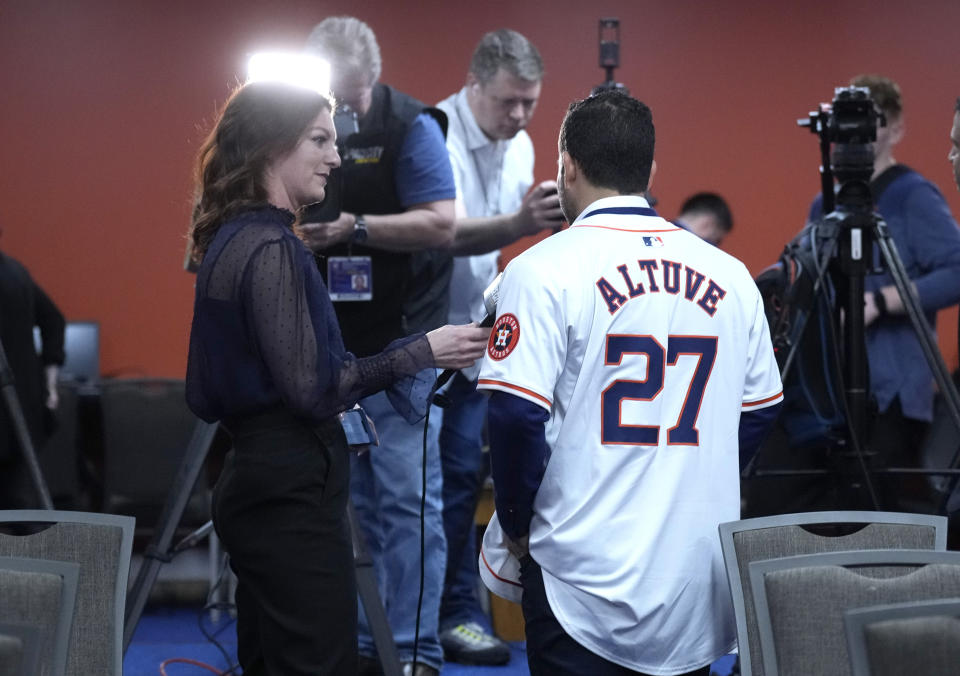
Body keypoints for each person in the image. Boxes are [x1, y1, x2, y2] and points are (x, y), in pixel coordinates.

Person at [185, 78, 488, 676]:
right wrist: (420, 350)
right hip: (289, 494)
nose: (335, 155)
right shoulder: (273, 248)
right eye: (319, 139)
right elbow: (314, 388)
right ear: (273, 147)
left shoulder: (232, 239)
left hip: (259, 483)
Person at [476, 91, 783, 675]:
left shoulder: (540, 268)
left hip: (580, 574)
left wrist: (516, 524)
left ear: (567, 165)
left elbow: (515, 417)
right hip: (691, 576)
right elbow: (762, 410)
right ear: (650, 171)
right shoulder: (732, 274)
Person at [301, 17, 457, 676]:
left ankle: (415, 653)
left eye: (360, 94)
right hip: (333, 350)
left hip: (405, 344)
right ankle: (370, 649)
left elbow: (442, 222)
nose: (354, 110)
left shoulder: (412, 126)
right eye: (342, 99)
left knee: (407, 506)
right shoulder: (302, 128)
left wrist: (353, 228)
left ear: (375, 75)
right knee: (354, 508)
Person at [434, 28, 561, 665]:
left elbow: (503, 243)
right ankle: (442, 617)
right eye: (507, 102)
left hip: (480, 336)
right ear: (473, 85)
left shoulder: (522, 144)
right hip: (424, 335)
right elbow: (439, 234)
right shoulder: (433, 136)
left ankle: (455, 613)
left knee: (462, 478)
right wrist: (518, 224)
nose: (518, 116)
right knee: (439, 485)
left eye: (529, 104)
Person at [808, 75, 960, 508]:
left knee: (889, 507)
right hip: (835, 384)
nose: (864, 134)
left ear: (896, 127)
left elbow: (956, 269)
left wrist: (878, 302)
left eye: (875, 121)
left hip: (895, 388)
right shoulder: (826, 205)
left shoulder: (913, 196)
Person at [0, 247, 64, 508]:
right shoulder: (16, 270)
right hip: (26, 401)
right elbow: (54, 320)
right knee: (19, 501)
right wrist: (50, 385)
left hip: (9, 407)